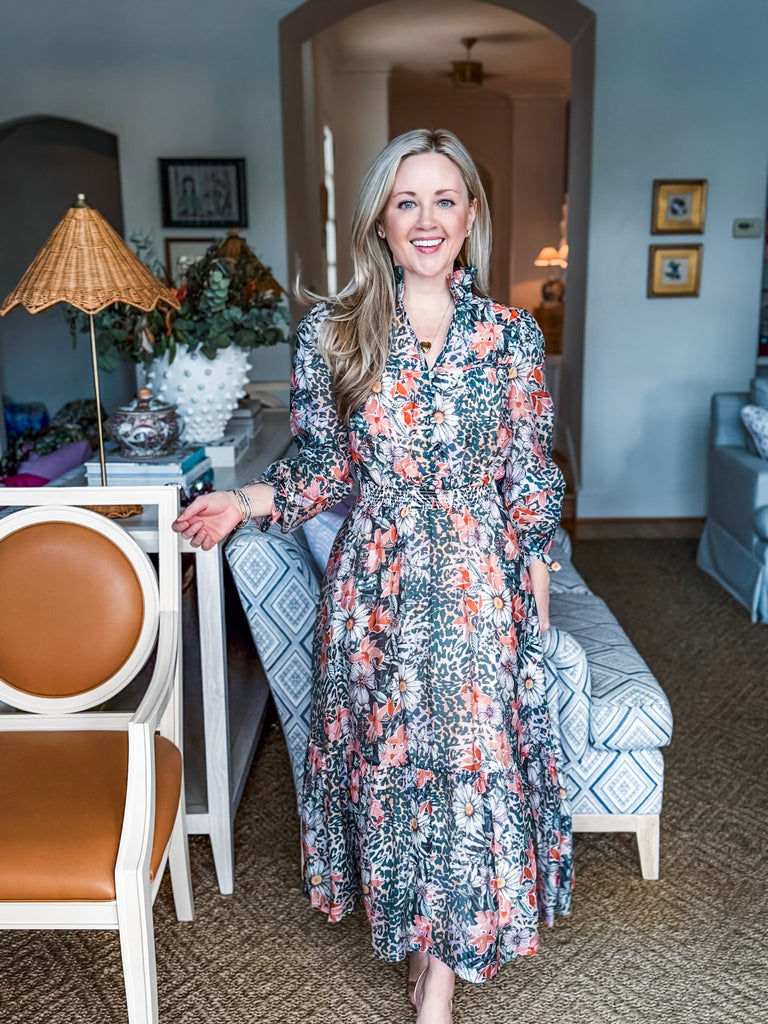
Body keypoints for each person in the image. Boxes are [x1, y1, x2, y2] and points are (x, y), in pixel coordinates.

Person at [173, 128, 573, 1023]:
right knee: (398, 772)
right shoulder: (334, 333)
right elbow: (322, 467)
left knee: (468, 771)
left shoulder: (510, 336)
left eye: (444, 200)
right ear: (381, 223)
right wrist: (245, 501)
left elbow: (529, 472)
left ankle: (438, 985)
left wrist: (537, 579)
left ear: (471, 215)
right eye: (407, 201)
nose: (427, 220)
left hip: (477, 583)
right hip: (377, 591)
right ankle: (424, 939)